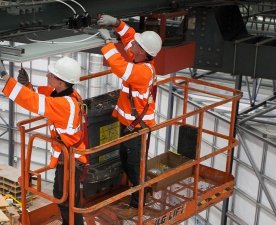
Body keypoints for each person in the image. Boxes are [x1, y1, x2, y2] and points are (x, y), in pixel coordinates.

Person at [0, 57, 87, 225]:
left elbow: (32, 101)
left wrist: (5, 77)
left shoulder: (63, 104)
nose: (47, 75)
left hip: (70, 160)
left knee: (65, 199)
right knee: (63, 196)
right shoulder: (67, 94)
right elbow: (40, 93)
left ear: (61, 82)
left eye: (52, 74)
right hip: (69, 157)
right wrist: (27, 86)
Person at [97, 15, 162, 218]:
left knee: (134, 166)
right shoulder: (139, 58)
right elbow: (129, 37)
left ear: (142, 51)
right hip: (130, 125)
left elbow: (119, 67)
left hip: (137, 127)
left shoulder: (141, 72)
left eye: (136, 45)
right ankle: (142, 191)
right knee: (128, 162)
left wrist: (108, 44)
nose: (131, 44)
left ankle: (137, 204)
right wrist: (117, 24)